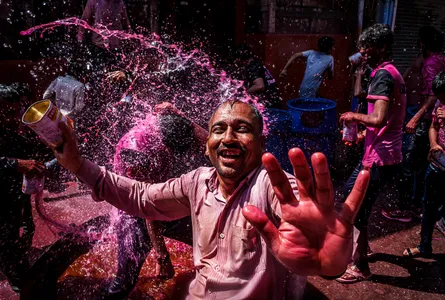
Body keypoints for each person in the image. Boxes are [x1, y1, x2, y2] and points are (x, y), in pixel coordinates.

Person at [49, 99, 370, 298]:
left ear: (260, 143)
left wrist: (329, 263)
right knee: (131, 254)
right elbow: (141, 196)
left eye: (241, 129)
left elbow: (315, 234)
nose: (228, 137)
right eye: (220, 130)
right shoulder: (197, 183)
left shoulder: (272, 187)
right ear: (207, 143)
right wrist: (78, 165)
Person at [104, 106, 208, 299]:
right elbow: (148, 208)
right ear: (164, 144)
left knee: (208, 240)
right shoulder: (136, 153)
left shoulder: (166, 116)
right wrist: (163, 257)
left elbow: (208, 141)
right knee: (125, 281)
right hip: (134, 211)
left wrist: (179, 112)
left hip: (159, 197)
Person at [337, 24, 406, 283]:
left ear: (383, 48)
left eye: (369, 46)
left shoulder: (383, 76)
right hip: (384, 152)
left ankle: (361, 267)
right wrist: (364, 136)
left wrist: (353, 116)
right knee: (352, 198)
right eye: (362, 46)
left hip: (380, 156)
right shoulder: (389, 73)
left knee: (354, 207)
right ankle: (362, 247)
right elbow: (389, 118)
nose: (363, 51)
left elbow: (378, 117)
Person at [384, 26, 445, 222]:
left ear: (422, 43)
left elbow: (432, 94)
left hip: (427, 118)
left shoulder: (430, 64)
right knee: (424, 164)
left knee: (409, 163)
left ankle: (406, 208)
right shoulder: (442, 60)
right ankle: (422, 204)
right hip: (436, 119)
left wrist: (416, 117)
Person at [0, 84, 48, 293]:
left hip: (14, 192)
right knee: (7, 239)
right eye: (7, 112)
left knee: (23, 229)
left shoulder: (12, 129)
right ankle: (20, 281)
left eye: (17, 110)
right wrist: (15, 164)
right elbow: (15, 161)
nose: (13, 116)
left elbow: (30, 151)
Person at [403, 71, 445, 257]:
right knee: (428, 205)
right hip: (438, 163)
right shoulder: (440, 103)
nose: (442, 100)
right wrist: (433, 144)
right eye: (439, 97)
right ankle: (424, 246)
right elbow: (433, 126)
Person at [234, 44, 282, 109]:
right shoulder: (256, 63)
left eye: (236, 58)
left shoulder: (252, 67)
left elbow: (260, 86)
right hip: (275, 99)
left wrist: (244, 94)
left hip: (268, 103)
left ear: (240, 58)